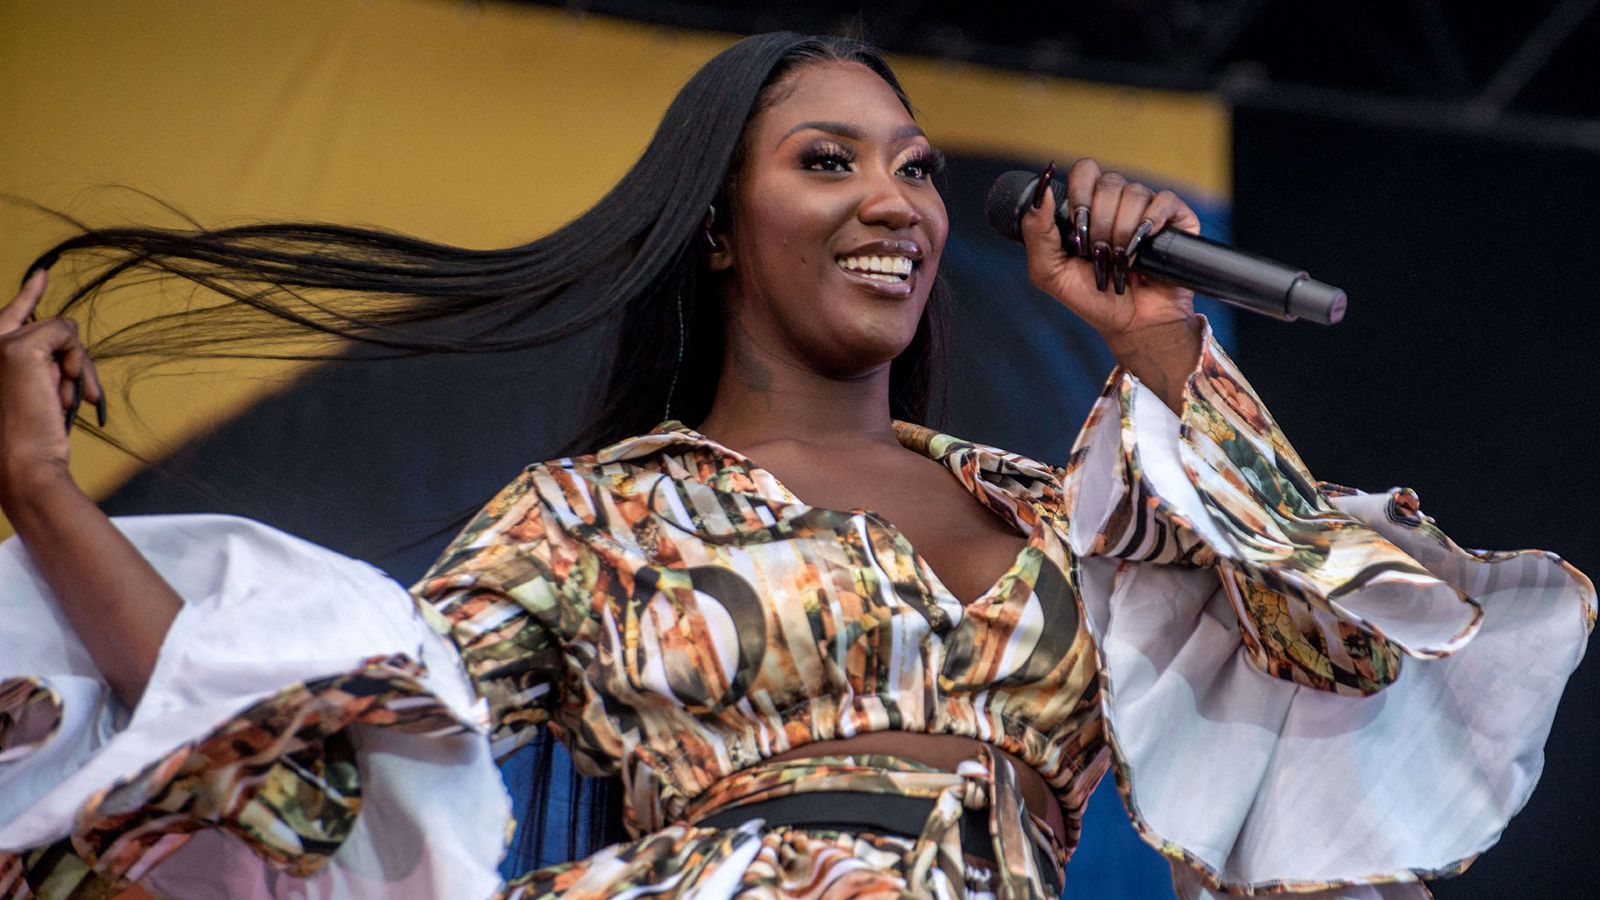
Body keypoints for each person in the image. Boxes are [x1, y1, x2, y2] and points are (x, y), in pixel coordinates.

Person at [0, 32, 1591, 900]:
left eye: (912, 166)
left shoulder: (1053, 510)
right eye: (825, 162)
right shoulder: (593, 518)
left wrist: (1161, 342)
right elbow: (303, 766)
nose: (892, 198)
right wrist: (46, 493)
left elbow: (1337, 661)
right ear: (716, 226)